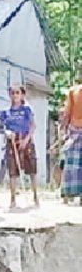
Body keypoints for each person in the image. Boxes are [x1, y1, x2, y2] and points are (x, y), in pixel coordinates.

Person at [0, 85, 39, 208]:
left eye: (17, 93)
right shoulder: (5, 112)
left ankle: (36, 197)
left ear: (22, 95)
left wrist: (26, 140)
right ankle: (12, 200)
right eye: (12, 93)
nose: (15, 95)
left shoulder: (27, 109)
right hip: (12, 142)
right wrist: (7, 133)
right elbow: (1, 128)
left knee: (32, 169)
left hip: (26, 141)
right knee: (12, 171)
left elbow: (33, 126)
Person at [62, 70, 82, 203]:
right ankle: (69, 194)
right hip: (75, 130)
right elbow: (67, 111)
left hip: (75, 129)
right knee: (72, 164)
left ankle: (75, 195)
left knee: (74, 165)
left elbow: (66, 112)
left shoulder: (73, 91)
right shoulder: (73, 92)